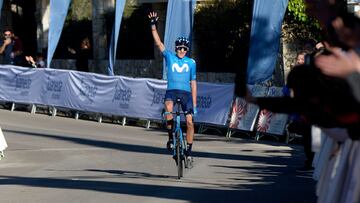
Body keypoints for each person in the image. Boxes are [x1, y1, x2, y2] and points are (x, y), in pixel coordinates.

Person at [148, 11, 197, 167]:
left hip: (186, 95)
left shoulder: (191, 62)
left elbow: (193, 83)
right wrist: (153, 25)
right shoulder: (170, 56)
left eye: (184, 48)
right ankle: (170, 137)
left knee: (189, 122)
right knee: (168, 109)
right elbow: (158, 43)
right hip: (172, 91)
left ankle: (188, 152)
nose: (182, 50)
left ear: (187, 50)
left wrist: (194, 104)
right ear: (175, 48)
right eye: (179, 48)